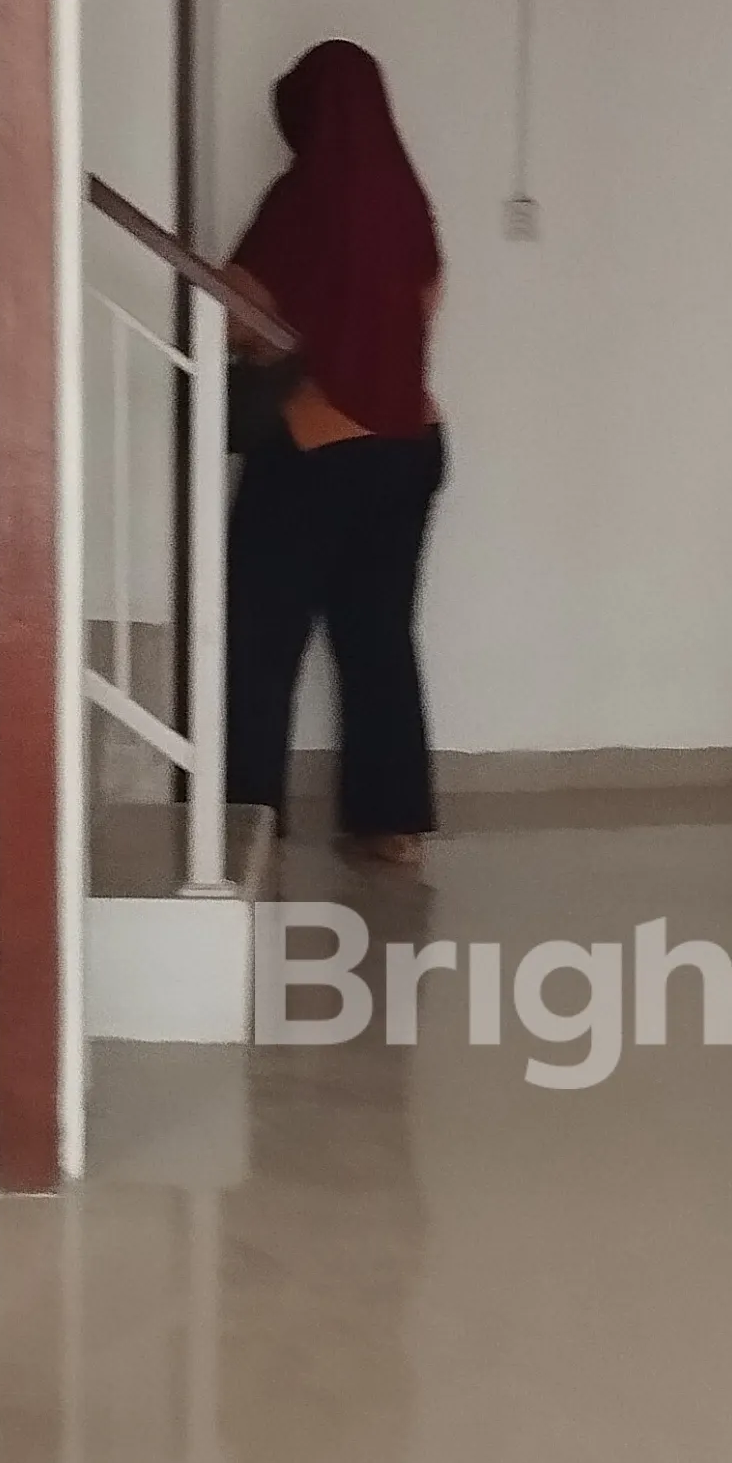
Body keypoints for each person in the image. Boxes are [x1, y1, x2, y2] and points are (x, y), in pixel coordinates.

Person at [225, 42, 446, 869]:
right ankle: (391, 826)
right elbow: (425, 302)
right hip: (412, 442)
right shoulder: (409, 202)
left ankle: (246, 818)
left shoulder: (301, 199)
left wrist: (271, 342)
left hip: (316, 444)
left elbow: (239, 312)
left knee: (262, 637)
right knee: (379, 637)